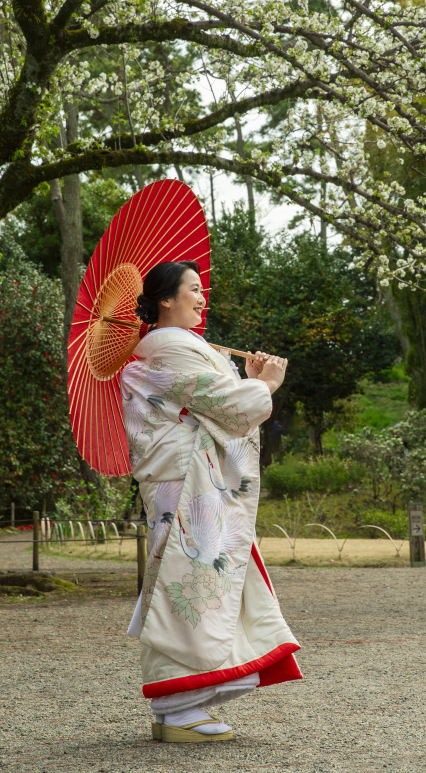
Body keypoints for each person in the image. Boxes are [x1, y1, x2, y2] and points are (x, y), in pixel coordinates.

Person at [120, 259, 302, 744]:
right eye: (194, 289)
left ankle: (181, 705)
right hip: (187, 483)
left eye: (203, 290)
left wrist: (245, 377)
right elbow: (228, 405)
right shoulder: (170, 348)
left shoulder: (174, 347)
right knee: (186, 581)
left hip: (189, 480)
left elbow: (217, 400)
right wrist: (265, 384)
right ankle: (177, 706)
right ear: (165, 299)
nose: (203, 298)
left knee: (191, 582)